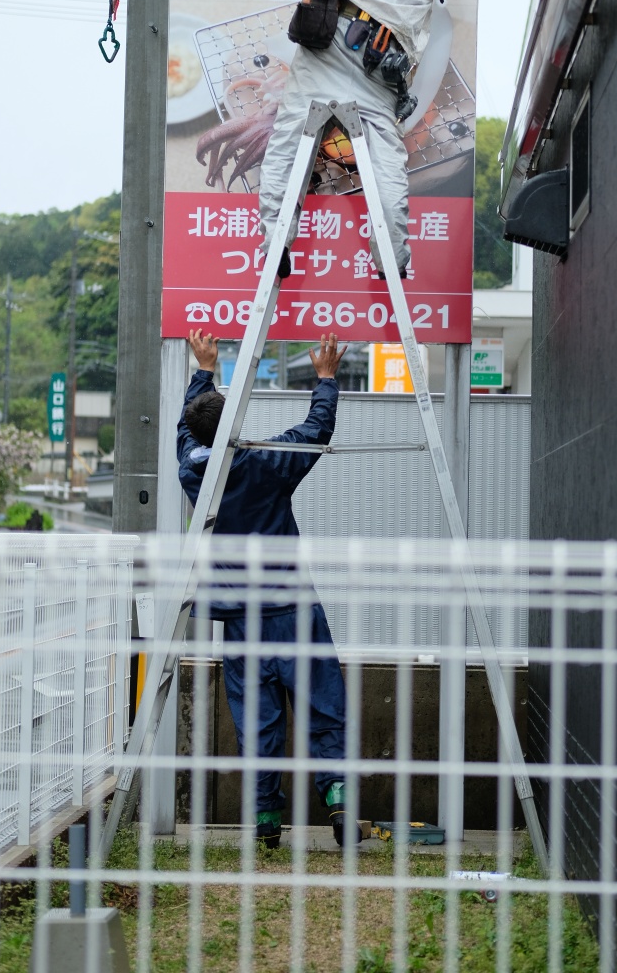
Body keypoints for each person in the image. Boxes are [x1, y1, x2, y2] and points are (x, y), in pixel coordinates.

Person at [258, 0, 515, 280]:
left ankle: (274, 245)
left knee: (290, 139)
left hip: (327, 26)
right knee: (385, 158)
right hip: (378, 58)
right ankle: (391, 259)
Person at [177, 328, 358, 849]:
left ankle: (264, 823)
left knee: (258, 723)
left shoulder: (194, 472)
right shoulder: (268, 464)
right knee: (326, 709)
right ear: (235, 425)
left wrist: (202, 371)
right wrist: (325, 379)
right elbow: (315, 429)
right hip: (294, 611)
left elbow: (185, 434)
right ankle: (340, 804)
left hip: (239, 620)